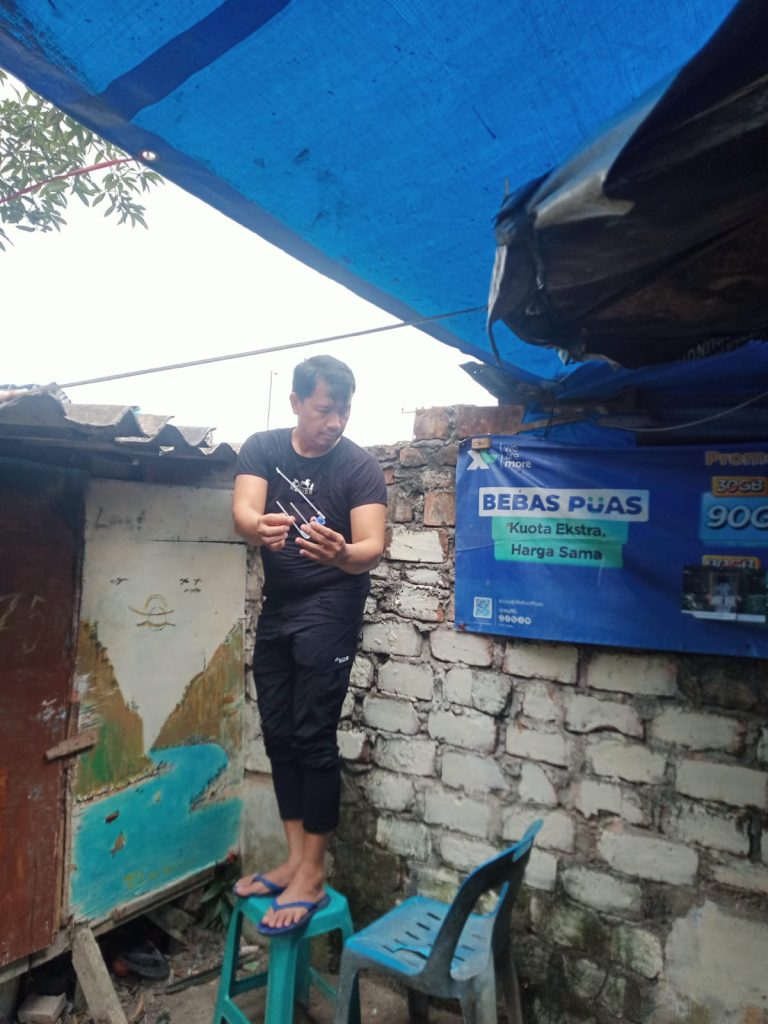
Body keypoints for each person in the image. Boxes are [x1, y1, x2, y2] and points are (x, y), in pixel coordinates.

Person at [231, 354, 387, 934]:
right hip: (280, 607)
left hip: (332, 603)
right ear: (297, 402)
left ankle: (314, 874)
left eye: (344, 410)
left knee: (312, 732)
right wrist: (257, 526)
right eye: (325, 409)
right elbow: (243, 510)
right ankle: (295, 860)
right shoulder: (263, 448)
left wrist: (343, 552)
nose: (336, 422)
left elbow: (372, 546)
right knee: (278, 731)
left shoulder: (360, 467)